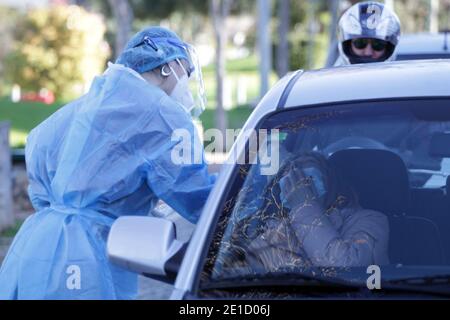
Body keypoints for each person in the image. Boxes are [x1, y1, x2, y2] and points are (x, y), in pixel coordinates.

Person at [0, 27, 215, 299]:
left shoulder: (77, 110)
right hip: (86, 259)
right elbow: (196, 197)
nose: (186, 80)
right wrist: (249, 185)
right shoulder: (161, 114)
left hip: (35, 249)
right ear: (167, 66)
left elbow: (41, 185)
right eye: (186, 71)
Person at [247, 153, 389, 270]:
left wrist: (304, 206)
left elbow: (344, 269)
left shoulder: (371, 220)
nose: (300, 187)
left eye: (310, 179)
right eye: (291, 182)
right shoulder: (276, 232)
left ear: (331, 183)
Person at [335, 1, 401, 66]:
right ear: (347, 45)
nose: (368, 53)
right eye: (360, 43)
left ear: (389, 47)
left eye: (378, 44)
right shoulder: (333, 75)